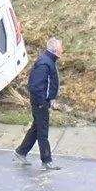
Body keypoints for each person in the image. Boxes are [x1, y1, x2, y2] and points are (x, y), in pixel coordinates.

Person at [14, 38, 63, 170]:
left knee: (36, 128)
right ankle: (47, 160)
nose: (62, 50)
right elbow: (36, 85)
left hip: (41, 101)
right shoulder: (45, 63)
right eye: (60, 48)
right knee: (42, 130)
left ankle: (21, 151)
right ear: (55, 50)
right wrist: (44, 100)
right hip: (40, 102)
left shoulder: (47, 61)